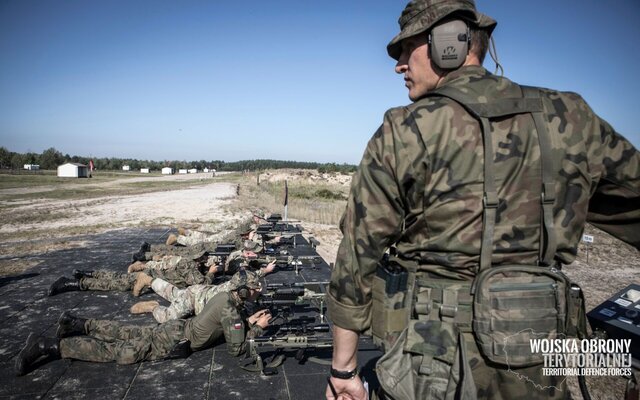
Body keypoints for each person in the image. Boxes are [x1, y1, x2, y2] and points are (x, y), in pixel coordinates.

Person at [325, 1, 640, 399]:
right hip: (538, 365)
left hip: (430, 368)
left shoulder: (404, 129)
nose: (399, 64)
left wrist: (344, 369)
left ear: (449, 42)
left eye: (406, 48)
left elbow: (356, 256)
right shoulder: (574, 118)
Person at [15, 268, 270, 376]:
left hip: (176, 329)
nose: (257, 294)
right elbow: (237, 350)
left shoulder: (226, 297)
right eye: (255, 290)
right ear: (245, 292)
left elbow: (226, 323)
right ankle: (47, 346)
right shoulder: (230, 309)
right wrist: (256, 329)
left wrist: (246, 321)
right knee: (116, 352)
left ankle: (77, 323)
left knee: (126, 332)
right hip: (173, 340)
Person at [130, 262, 277, 322]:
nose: (258, 291)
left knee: (173, 293)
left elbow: (250, 277)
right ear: (243, 291)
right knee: (168, 317)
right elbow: (232, 322)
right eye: (255, 289)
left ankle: (147, 279)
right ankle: (152, 307)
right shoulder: (228, 299)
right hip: (194, 300)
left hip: (198, 291)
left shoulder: (237, 285)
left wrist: (263, 271)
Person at [48, 251, 219, 297]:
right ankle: (72, 283)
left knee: (117, 277)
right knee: (114, 283)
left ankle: (87, 273)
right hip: (148, 278)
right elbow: (202, 284)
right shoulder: (191, 267)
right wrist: (211, 273)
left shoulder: (188, 263)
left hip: (151, 274)